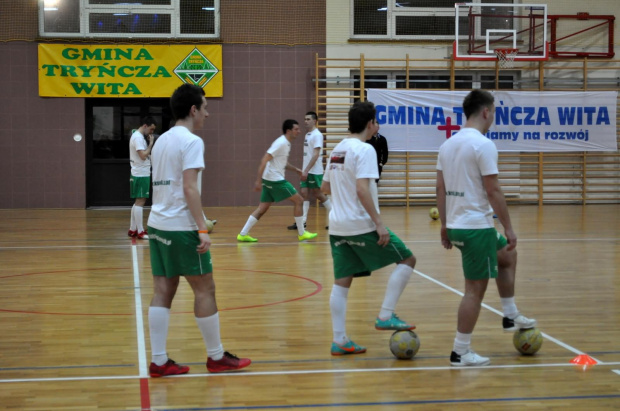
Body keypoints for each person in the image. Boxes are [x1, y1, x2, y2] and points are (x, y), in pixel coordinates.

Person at [146, 84, 251, 377]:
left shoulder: (162, 140)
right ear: (193, 110)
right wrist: (202, 228)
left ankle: (158, 361)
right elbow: (190, 187)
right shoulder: (191, 142)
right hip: (182, 227)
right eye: (205, 107)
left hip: (157, 223)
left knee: (163, 290)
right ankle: (216, 357)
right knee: (205, 288)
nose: (208, 112)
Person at [435, 89, 537, 367]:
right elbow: (494, 191)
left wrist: (445, 226)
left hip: (459, 226)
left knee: (507, 255)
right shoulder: (482, 144)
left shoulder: (448, 145)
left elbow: (440, 189)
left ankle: (510, 314)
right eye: (493, 112)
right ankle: (460, 351)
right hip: (475, 228)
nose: (493, 117)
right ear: (486, 112)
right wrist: (510, 227)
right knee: (473, 291)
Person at [321, 101, 417, 356]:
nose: (379, 124)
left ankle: (339, 340)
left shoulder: (337, 150)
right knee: (407, 259)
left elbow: (325, 187)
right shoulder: (365, 150)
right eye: (377, 120)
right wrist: (378, 223)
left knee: (342, 281)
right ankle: (386, 314)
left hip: (338, 226)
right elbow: (363, 189)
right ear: (370, 124)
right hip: (360, 224)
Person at [237, 120, 318, 243]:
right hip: (275, 180)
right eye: (296, 129)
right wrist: (257, 181)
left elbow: (282, 163)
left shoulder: (286, 143)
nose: (299, 131)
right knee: (299, 200)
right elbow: (265, 159)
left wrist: (296, 170)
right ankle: (302, 233)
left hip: (268, 179)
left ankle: (242, 234)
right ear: (288, 131)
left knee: (262, 208)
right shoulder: (281, 143)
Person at [287, 111, 332, 231]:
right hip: (306, 170)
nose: (305, 121)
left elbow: (316, 155)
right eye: (305, 119)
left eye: (308, 119)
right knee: (304, 194)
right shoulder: (308, 135)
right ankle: (302, 222)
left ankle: (335, 218)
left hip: (314, 171)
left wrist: (306, 170)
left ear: (314, 121)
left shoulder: (317, 135)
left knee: (318, 194)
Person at [128, 116, 156, 240]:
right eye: (151, 129)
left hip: (138, 172)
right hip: (141, 173)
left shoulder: (137, 136)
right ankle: (140, 231)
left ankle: (132, 228)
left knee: (137, 201)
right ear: (145, 126)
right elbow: (143, 155)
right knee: (140, 201)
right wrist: (151, 144)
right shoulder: (138, 138)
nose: (151, 132)